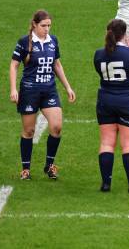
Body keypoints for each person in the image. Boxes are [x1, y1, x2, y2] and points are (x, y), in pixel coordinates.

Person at [10, 10, 76, 180]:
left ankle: (49, 165)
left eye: (49, 26)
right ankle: (26, 169)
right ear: (34, 25)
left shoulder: (53, 41)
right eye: (43, 26)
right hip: (29, 91)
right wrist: (13, 89)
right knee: (29, 131)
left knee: (56, 127)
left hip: (49, 90)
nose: (47, 29)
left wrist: (68, 87)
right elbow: (14, 65)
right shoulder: (24, 42)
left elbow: (57, 65)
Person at [93, 19, 129, 193]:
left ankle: (106, 184)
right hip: (128, 102)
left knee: (107, 143)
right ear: (125, 34)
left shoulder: (99, 54)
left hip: (106, 100)